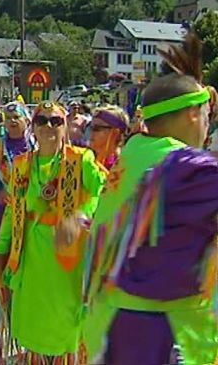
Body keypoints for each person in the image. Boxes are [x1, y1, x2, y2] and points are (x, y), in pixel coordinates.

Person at [82, 34, 218, 365]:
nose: (208, 124)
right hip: (164, 337)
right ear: (192, 115)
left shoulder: (130, 158)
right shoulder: (187, 168)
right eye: (206, 113)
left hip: (108, 330)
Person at [0, 101, 106, 362]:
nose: (48, 126)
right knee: (34, 331)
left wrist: (81, 217)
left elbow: (104, 192)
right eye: (42, 121)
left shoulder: (81, 159)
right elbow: (12, 213)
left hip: (67, 263)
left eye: (55, 121)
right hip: (31, 260)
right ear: (33, 128)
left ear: (65, 127)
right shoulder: (22, 164)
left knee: (67, 332)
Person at [0, 102, 34, 244]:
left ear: (26, 121)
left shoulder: (36, 146)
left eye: (16, 117)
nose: (12, 121)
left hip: (31, 210)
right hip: (3, 211)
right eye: (8, 118)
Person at [87, 105, 130, 170]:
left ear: (115, 133)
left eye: (97, 128)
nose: (91, 132)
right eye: (91, 127)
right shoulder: (87, 158)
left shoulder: (121, 166)